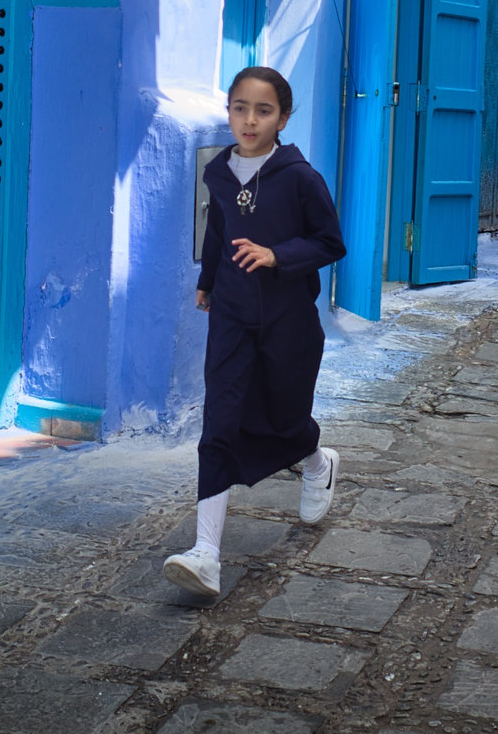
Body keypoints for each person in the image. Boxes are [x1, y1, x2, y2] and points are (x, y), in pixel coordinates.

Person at [164, 67, 348, 600]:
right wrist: (207, 281)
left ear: (283, 118)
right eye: (240, 107)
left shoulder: (300, 177)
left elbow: (330, 243)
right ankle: (205, 554)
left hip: (289, 320)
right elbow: (219, 229)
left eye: (263, 110)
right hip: (232, 315)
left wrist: (277, 255)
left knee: (283, 417)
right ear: (228, 111)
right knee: (220, 421)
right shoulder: (219, 173)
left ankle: (317, 461)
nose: (249, 119)